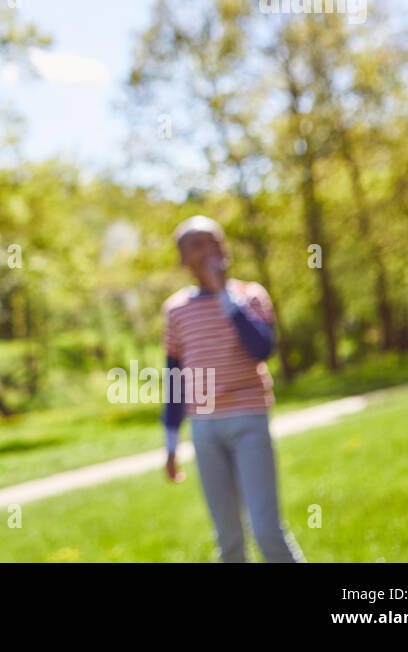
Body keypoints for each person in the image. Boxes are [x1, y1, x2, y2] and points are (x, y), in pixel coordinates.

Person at [161, 215, 304, 562]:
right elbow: (175, 379)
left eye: (215, 241)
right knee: (228, 539)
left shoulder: (250, 296)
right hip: (204, 428)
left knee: (266, 528)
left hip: (248, 420)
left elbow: (261, 348)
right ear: (183, 259)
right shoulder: (176, 310)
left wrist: (224, 295)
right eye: (197, 244)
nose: (208, 250)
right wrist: (170, 444)